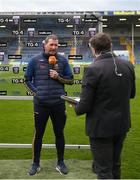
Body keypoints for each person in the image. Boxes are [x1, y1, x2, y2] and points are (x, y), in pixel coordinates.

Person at [72, 33, 136, 179]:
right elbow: (131, 94)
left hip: (101, 128)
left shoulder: (92, 69)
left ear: (93, 49)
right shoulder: (128, 65)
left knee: (103, 170)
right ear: (111, 46)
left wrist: (76, 106)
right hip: (121, 125)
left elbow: (84, 106)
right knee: (115, 165)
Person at [24, 34, 74, 176]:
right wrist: (37, 93)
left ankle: (60, 162)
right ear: (44, 45)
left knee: (59, 134)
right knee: (38, 134)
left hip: (58, 104)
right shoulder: (34, 61)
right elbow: (26, 80)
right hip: (41, 105)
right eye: (51, 44)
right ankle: (35, 163)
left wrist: (58, 77)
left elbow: (70, 80)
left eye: (56, 45)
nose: (54, 47)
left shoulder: (63, 61)